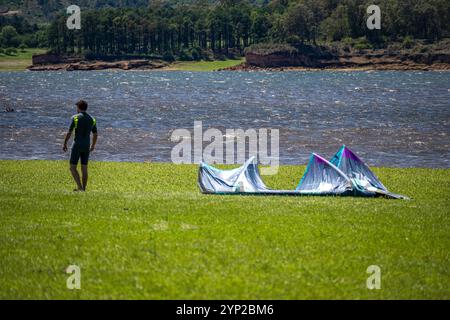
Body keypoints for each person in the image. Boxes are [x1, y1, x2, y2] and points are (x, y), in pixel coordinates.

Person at [63, 100, 98, 191]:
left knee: (72, 167)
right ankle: (84, 188)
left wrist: (65, 143)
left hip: (77, 145)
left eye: (76, 107)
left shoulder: (75, 118)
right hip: (86, 145)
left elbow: (69, 132)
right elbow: (95, 134)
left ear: (78, 107)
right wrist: (93, 145)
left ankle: (79, 187)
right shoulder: (92, 119)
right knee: (84, 167)